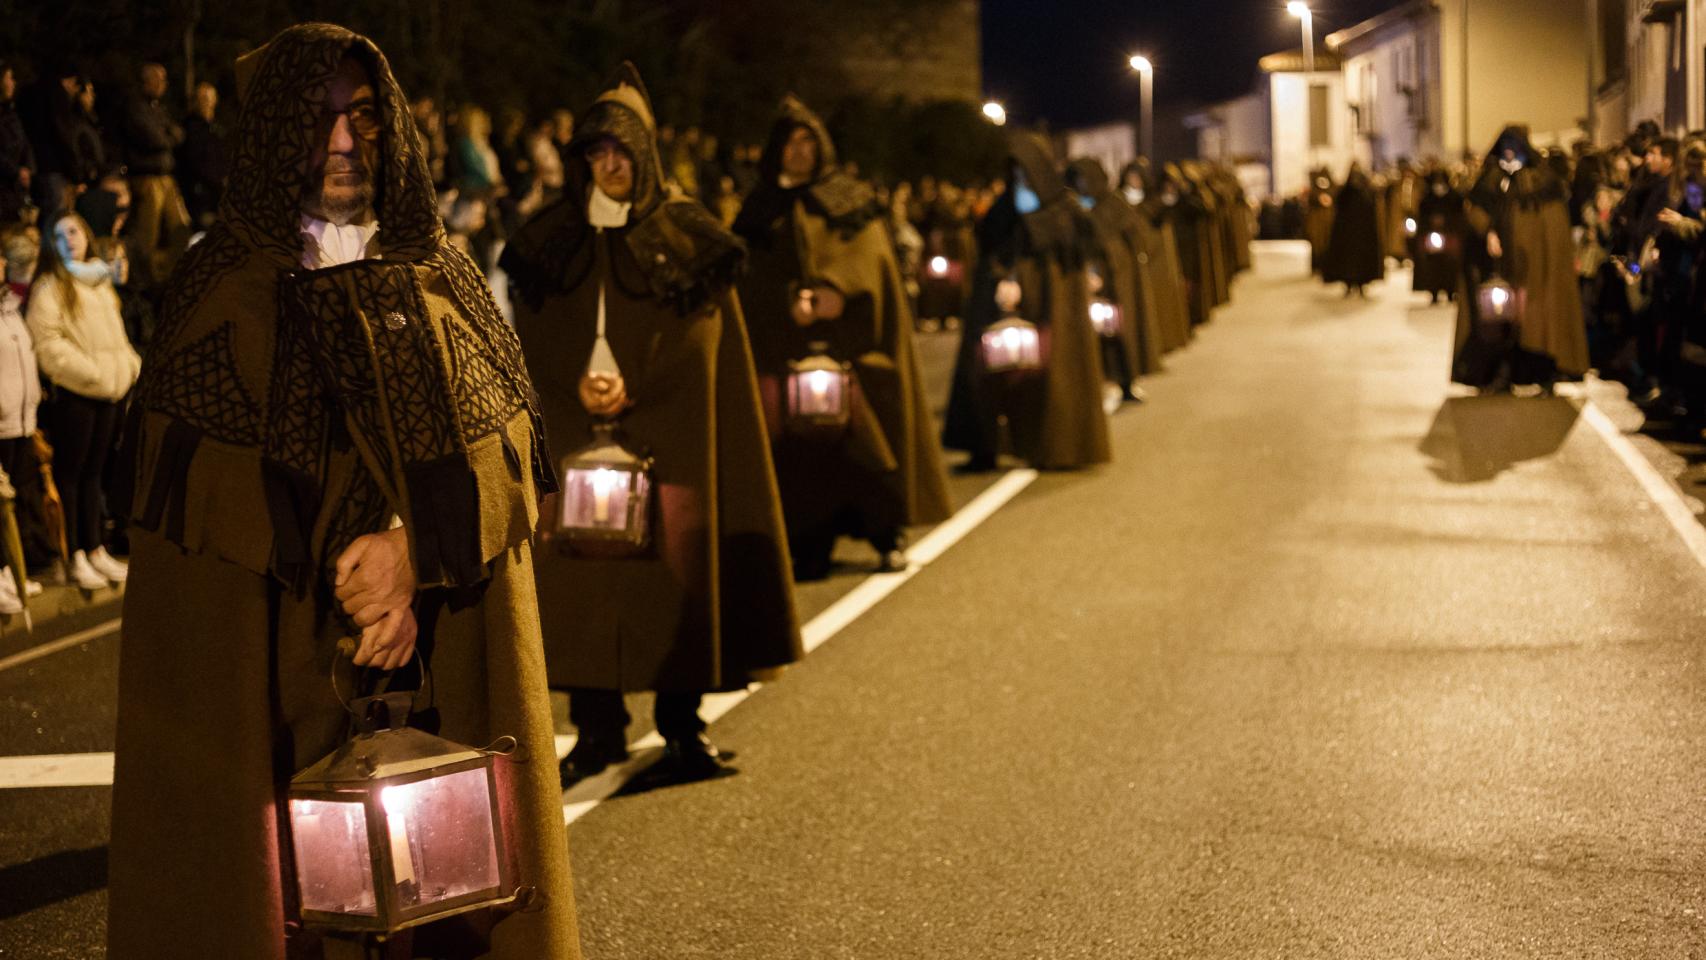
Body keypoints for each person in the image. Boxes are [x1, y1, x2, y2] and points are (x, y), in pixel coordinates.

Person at [105, 24, 581, 959]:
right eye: (318, 122)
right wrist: (340, 574)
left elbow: (509, 440)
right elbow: (195, 497)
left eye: (363, 117)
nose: (344, 143)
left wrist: (411, 554)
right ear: (277, 134)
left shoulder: (442, 274)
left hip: (440, 646)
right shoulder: (217, 287)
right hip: (278, 664)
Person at [500, 63, 801, 789]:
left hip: (669, 430)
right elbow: (532, 333)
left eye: (621, 152)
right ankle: (598, 728)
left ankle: (681, 726)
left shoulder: (690, 235)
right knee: (584, 582)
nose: (609, 166)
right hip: (575, 425)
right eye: (596, 153)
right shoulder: (551, 239)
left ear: (645, 155)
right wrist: (574, 383)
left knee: (674, 577)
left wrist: (641, 385)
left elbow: (705, 342)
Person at [732, 95, 953, 579]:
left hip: (853, 343)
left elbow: (873, 262)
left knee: (866, 445)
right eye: (790, 143)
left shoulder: (850, 200)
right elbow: (745, 279)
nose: (799, 152)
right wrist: (787, 298)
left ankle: (884, 535)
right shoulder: (758, 209)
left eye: (808, 141)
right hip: (787, 347)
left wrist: (840, 289)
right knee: (801, 456)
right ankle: (809, 544)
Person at [942, 130, 1111, 473]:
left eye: (1025, 174)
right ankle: (984, 445)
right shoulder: (1003, 212)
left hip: (1052, 313)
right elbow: (992, 254)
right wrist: (1002, 280)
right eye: (1014, 174)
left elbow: (1071, 265)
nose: (1020, 182)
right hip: (1002, 311)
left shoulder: (1066, 214)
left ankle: (1057, 444)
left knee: (1053, 377)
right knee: (984, 373)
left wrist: (1033, 285)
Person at [25, 210, 136, 590]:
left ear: (87, 234)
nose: (68, 239)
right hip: (77, 395)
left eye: (73, 230)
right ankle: (72, 553)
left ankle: (95, 548)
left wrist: (128, 368)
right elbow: (48, 345)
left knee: (94, 474)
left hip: (109, 392)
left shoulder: (98, 282)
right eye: (59, 234)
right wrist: (93, 374)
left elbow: (117, 337)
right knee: (70, 475)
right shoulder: (50, 286)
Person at [1451, 125, 1588, 395]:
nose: (1510, 152)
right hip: (1500, 268)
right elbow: (1477, 210)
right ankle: (1501, 374)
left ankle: (1544, 373)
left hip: (1537, 270)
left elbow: (1552, 226)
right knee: (1501, 323)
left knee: (1539, 322)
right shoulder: (1493, 177)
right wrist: (1488, 232)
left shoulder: (1542, 179)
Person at [1067, 157, 1165, 396]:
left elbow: (1137, 239)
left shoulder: (1115, 205)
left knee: (1123, 333)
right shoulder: (1077, 208)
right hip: (1092, 281)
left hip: (1120, 281)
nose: (1082, 187)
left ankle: (1126, 383)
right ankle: (1108, 383)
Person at [121, 63, 191, 290]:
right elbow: (155, 139)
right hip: (147, 179)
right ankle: (145, 282)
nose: (164, 84)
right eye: (159, 79)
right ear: (147, 81)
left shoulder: (157, 108)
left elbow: (178, 134)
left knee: (181, 227)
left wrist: (167, 136)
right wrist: (167, 137)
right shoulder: (135, 107)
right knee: (147, 234)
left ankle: (168, 275)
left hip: (166, 178)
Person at [1321, 164, 1385, 298]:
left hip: (1361, 237)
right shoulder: (1346, 192)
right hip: (1348, 237)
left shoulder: (1366, 192)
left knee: (1360, 264)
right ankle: (1349, 284)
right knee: (1347, 264)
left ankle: (1361, 285)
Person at [176, 80, 228, 231]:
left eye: (211, 99)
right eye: (204, 99)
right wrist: (218, 182)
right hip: (201, 198)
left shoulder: (214, 130)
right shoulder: (191, 130)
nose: (208, 104)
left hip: (216, 195)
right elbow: (197, 164)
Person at [0, 61, 34, 225]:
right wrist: (15, 171)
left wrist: (27, 168)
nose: (13, 83)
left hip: (15, 187)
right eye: (9, 78)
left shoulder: (11, 112)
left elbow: (24, 141)